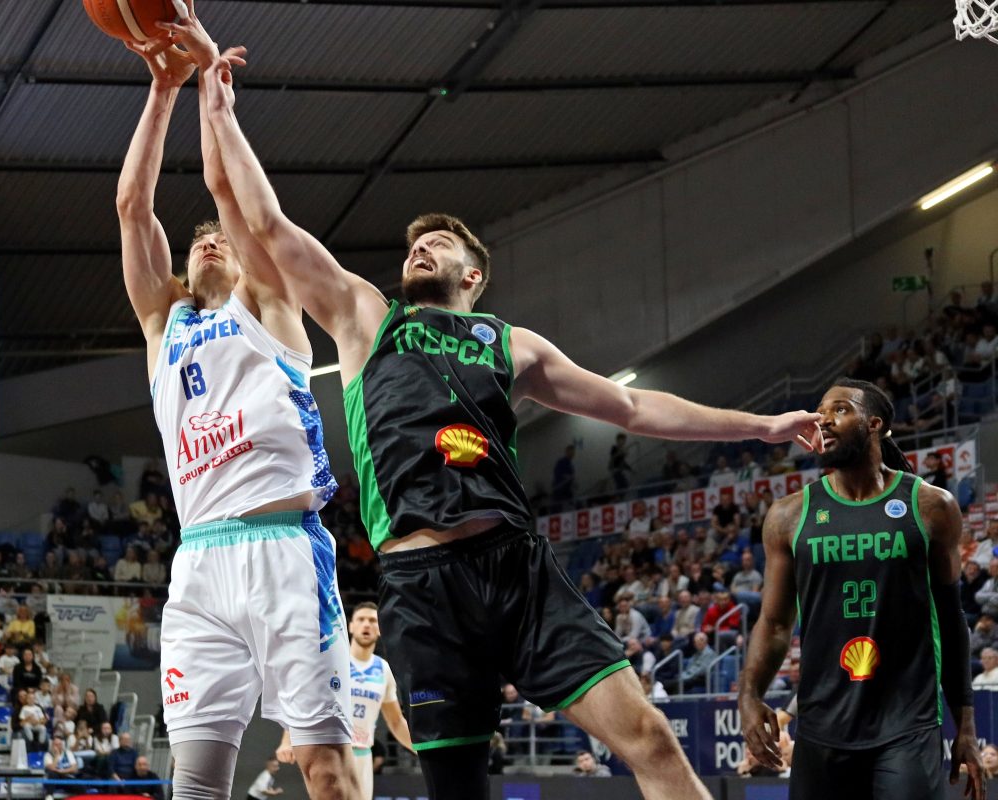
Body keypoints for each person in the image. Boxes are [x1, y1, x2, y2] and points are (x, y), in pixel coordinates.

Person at [178, 10, 823, 797]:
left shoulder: (510, 344)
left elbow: (633, 410)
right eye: (415, 243)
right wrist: (217, 105)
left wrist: (763, 425)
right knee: (460, 788)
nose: (420, 247)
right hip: (421, 584)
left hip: (517, 571)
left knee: (651, 737)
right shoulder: (365, 318)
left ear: (473, 275)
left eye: (439, 243)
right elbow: (264, 222)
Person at [116, 15, 354, 800]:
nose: (209, 242)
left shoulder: (266, 301)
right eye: (198, 243)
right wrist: (162, 89)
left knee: (325, 768)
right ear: (182, 271)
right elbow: (131, 206)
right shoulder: (165, 326)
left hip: (284, 550)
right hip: (199, 563)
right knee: (196, 780)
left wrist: (211, 88)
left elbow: (236, 201)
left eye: (217, 238)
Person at [739, 379, 983, 800]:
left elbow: (950, 617)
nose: (823, 420)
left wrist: (965, 725)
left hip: (908, 722)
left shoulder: (931, 506)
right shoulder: (788, 516)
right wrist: (749, 695)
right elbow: (775, 623)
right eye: (820, 411)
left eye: (839, 409)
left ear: (875, 424)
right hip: (822, 725)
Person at [276, 602, 413, 799]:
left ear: (380, 629)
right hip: (332, 751)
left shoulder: (383, 669)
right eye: (361, 620)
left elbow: (396, 721)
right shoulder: (335, 660)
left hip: (364, 754)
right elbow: (305, 703)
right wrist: (286, 741)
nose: (366, 624)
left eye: (372, 621)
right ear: (351, 626)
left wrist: (420, 748)